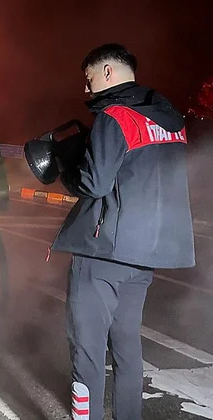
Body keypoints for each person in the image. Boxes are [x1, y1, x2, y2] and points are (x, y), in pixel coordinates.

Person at [53, 43, 195, 420]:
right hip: (146, 254)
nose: (87, 90)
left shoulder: (114, 116)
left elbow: (95, 183)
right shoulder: (169, 121)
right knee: (128, 348)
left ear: (108, 73)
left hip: (104, 254)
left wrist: (68, 169)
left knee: (87, 349)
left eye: (89, 79)